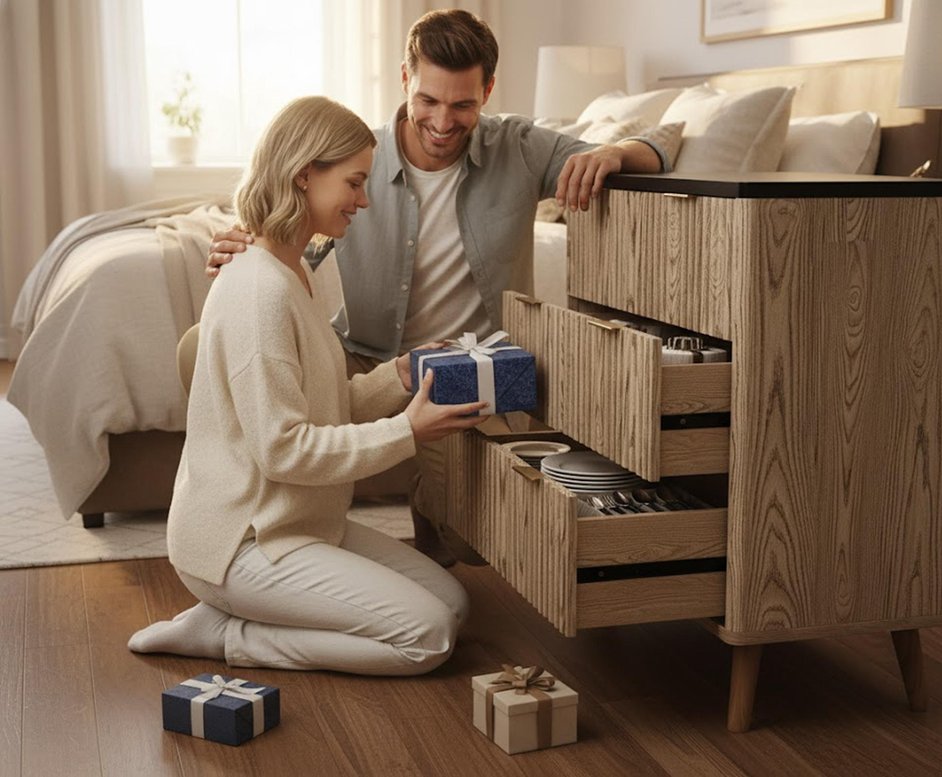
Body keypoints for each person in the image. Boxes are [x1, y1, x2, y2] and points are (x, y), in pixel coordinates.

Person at [208, 9, 667, 566]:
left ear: (488, 91)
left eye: (463, 105)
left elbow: (664, 142)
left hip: (466, 366)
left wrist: (614, 153)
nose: (443, 122)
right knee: (204, 352)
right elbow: (292, 244)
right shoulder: (359, 158)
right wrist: (250, 249)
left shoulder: (519, 146)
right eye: (428, 100)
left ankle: (429, 507)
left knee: (472, 548)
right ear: (405, 80)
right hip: (363, 359)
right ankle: (237, 518)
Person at [128, 96, 489, 675]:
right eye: (353, 182)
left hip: (300, 521)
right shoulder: (259, 290)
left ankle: (241, 616)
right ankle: (229, 635)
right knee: (427, 637)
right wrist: (406, 431)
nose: (365, 200)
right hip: (242, 541)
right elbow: (284, 447)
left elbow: (325, 406)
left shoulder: (297, 271)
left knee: (452, 604)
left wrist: (399, 374)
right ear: (304, 175)